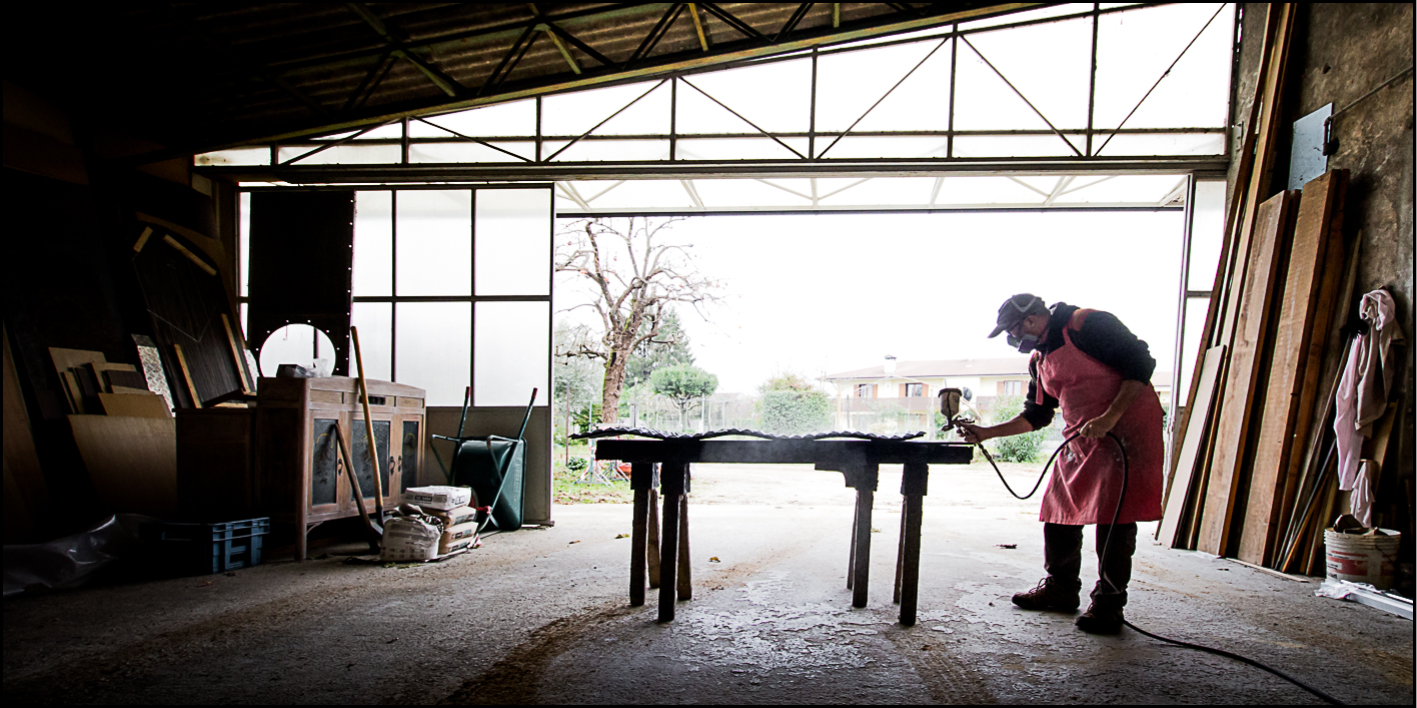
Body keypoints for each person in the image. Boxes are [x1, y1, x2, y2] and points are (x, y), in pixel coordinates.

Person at [957, 294, 1164, 635]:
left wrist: (1110, 417)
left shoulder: (1088, 324)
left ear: (1033, 320)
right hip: (1082, 435)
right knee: (1058, 507)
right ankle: (1062, 587)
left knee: (1114, 515)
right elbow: (1037, 415)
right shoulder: (1039, 359)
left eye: (1012, 329)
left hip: (1125, 428)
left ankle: (1109, 604)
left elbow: (1141, 363)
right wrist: (986, 433)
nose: (1012, 339)